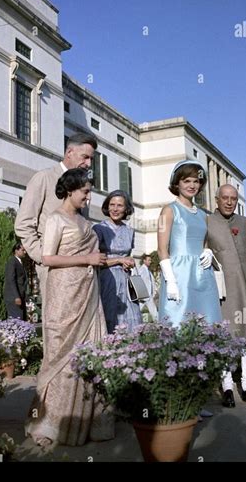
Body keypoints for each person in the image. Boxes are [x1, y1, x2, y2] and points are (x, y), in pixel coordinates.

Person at [25, 168, 114, 448]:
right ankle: (54, 423)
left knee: (92, 352)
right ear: (70, 190)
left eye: (89, 191)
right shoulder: (55, 219)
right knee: (63, 356)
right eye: (85, 192)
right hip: (64, 294)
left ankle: (88, 422)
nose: (89, 197)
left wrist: (97, 261)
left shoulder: (84, 220)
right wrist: (86, 259)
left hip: (88, 292)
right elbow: (48, 258)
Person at [15, 132, 97, 351]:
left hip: (80, 271)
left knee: (80, 328)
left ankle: (78, 379)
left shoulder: (84, 187)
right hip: (52, 268)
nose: (88, 163)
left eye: (91, 159)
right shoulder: (43, 178)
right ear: (69, 152)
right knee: (57, 328)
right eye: (85, 157)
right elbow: (23, 223)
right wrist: (41, 257)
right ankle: (56, 381)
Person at [207, 184, 246, 407]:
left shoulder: (245, 222)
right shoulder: (207, 221)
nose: (229, 202)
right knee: (226, 336)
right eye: (225, 198)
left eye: (233, 198)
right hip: (222, 287)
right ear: (217, 199)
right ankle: (227, 387)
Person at [157, 160, 221, 328]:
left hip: (203, 274)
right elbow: (162, 249)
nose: (192, 185)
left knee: (207, 321)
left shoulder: (203, 214)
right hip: (180, 274)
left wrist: (208, 251)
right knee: (179, 322)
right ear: (177, 183)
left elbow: (205, 243)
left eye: (196, 181)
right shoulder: (169, 210)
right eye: (187, 181)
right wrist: (170, 280)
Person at [93, 190, 142, 333]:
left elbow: (129, 256)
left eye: (119, 205)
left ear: (126, 208)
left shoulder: (130, 231)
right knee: (111, 316)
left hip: (126, 280)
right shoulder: (99, 229)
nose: (115, 209)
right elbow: (96, 261)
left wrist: (129, 261)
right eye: (112, 204)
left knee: (131, 317)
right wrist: (119, 260)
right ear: (107, 207)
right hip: (107, 279)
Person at [3, 243, 28, 319]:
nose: (25, 252)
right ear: (16, 250)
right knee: (17, 321)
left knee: (21, 320)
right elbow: (11, 280)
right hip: (14, 298)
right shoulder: (12, 262)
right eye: (23, 250)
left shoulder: (19, 262)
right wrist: (16, 297)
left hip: (20, 296)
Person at [138, 254, 158, 321]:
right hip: (143, 295)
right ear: (144, 261)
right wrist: (140, 293)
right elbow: (138, 280)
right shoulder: (141, 270)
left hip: (149, 295)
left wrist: (154, 291)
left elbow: (151, 282)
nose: (150, 261)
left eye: (150, 260)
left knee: (154, 311)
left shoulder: (148, 271)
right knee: (137, 310)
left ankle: (159, 323)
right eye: (149, 260)